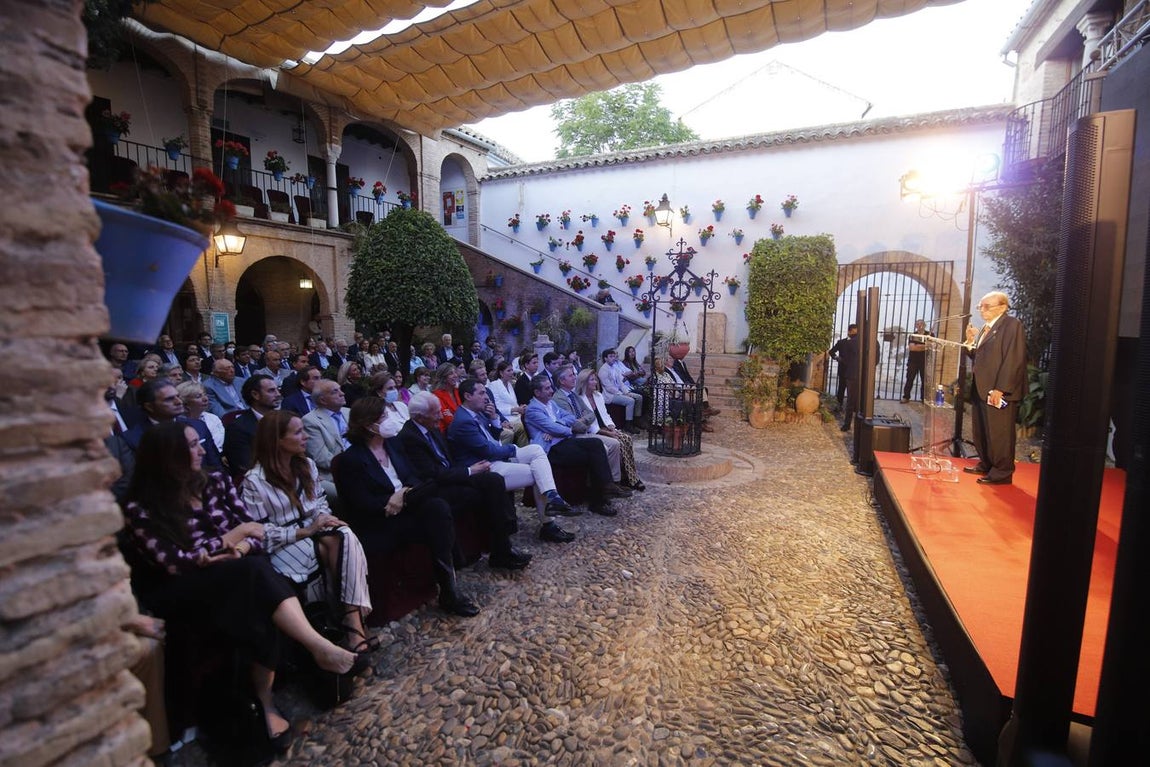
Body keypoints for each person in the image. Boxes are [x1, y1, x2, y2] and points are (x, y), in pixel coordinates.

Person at [122, 422, 356, 750]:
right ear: (166, 455)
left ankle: (266, 701)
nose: (202, 450)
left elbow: (256, 536)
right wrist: (234, 537)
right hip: (183, 589)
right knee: (252, 574)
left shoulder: (215, 482)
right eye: (191, 446)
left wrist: (241, 543)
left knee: (253, 572)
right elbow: (177, 563)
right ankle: (317, 648)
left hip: (236, 571)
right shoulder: (140, 507)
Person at [332, 397, 481, 616]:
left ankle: (449, 589)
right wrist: (394, 499)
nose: (389, 420)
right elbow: (361, 503)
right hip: (381, 518)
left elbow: (415, 477)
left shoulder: (393, 444)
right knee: (436, 510)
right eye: (383, 417)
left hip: (408, 503)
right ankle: (450, 576)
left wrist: (401, 494)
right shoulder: (350, 460)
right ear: (367, 424)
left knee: (437, 507)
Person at [241, 411, 375, 653]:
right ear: (277, 440)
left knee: (344, 534)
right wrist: (305, 531)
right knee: (341, 541)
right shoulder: (254, 481)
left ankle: (350, 620)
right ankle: (354, 623)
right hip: (282, 543)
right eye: (298, 432)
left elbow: (319, 502)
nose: (305, 437)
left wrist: (325, 518)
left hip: (314, 531)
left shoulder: (306, 465)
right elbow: (257, 534)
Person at [399, 392, 532, 569]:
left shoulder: (432, 427)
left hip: (452, 474)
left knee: (494, 480)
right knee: (481, 491)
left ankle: (503, 546)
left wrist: (469, 469)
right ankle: (500, 546)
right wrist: (469, 471)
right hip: (436, 486)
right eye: (435, 413)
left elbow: (448, 459)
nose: (440, 416)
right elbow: (433, 474)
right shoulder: (409, 437)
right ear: (419, 417)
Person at [448, 378, 577, 543]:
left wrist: (494, 417)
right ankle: (549, 524)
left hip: (493, 458)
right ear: (467, 396)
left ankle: (552, 496)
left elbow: (493, 438)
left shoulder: (477, 412)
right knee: (539, 473)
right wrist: (513, 449)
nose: (486, 397)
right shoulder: (463, 421)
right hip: (483, 467)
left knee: (537, 450)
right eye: (481, 393)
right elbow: (489, 450)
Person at [523, 374, 625, 517]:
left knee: (596, 444)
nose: (551, 390)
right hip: (551, 449)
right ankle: (599, 499)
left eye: (550, 387)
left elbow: (569, 417)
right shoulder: (533, 410)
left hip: (563, 442)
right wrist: (561, 428)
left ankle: (605, 488)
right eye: (547, 388)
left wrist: (557, 426)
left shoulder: (550, 404)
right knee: (593, 455)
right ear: (537, 392)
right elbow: (556, 428)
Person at [964, 292, 1028, 485]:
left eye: (986, 306)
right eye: (980, 306)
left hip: (998, 390)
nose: (982, 310)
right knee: (982, 429)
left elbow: (1013, 359)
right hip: (982, 387)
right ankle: (986, 463)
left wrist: (1001, 388)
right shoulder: (986, 328)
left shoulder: (1011, 325)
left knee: (999, 432)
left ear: (1002, 307)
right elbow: (980, 357)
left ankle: (1001, 471)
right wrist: (969, 343)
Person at [576, 369, 646, 491]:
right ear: (584, 382)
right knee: (619, 441)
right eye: (592, 379)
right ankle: (621, 480)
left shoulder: (598, 395)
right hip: (593, 431)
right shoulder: (579, 399)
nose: (596, 382)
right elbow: (589, 426)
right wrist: (608, 433)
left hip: (605, 427)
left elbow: (606, 415)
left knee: (627, 439)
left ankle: (630, 477)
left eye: (595, 379)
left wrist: (611, 426)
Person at [223, 374, 282, 482]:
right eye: (271, 391)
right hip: (262, 483)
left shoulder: (284, 420)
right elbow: (245, 467)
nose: (278, 394)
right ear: (255, 395)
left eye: (278, 390)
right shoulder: (238, 428)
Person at [302, 380, 349, 497]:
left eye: (340, 389)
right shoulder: (310, 421)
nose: (342, 393)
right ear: (322, 400)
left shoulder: (349, 412)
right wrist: (354, 464)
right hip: (336, 473)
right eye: (335, 392)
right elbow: (321, 457)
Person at [597, 348, 643, 432]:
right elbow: (608, 387)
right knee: (630, 401)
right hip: (610, 396)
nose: (613, 358)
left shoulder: (614, 368)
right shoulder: (603, 370)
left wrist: (627, 392)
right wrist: (621, 393)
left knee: (639, 397)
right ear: (605, 358)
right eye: (611, 356)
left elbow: (621, 383)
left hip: (619, 392)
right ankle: (628, 424)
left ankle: (637, 420)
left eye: (614, 356)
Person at [177, 380, 225, 453]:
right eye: (198, 396)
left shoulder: (213, 418)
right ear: (185, 403)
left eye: (205, 394)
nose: (205, 399)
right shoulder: (178, 424)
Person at [367, 371, 410, 435]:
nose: (394, 390)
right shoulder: (379, 412)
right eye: (390, 388)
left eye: (394, 387)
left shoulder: (401, 405)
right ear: (379, 392)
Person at [901, 319, 931, 403]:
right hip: (913, 361)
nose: (919, 325)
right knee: (909, 379)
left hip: (924, 361)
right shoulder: (912, 335)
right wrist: (925, 346)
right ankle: (906, 397)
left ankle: (923, 399)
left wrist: (918, 346)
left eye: (921, 324)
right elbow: (912, 348)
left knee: (924, 381)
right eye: (917, 324)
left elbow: (931, 346)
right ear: (915, 326)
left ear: (924, 325)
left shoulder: (930, 335)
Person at [828, 324, 858, 409]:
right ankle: (838, 405)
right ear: (849, 331)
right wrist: (837, 358)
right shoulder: (841, 342)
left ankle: (852, 408)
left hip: (853, 371)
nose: (854, 334)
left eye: (856, 332)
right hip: (843, 370)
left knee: (852, 392)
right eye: (853, 332)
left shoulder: (859, 343)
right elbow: (831, 352)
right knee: (841, 388)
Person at [431, 362, 462, 432]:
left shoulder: (458, 391)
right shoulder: (436, 395)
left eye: (455, 372)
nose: (455, 375)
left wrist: (453, 415)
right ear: (444, 378)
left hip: (461, 428)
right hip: (447, 432)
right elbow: (447, 419)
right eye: (451, 373)